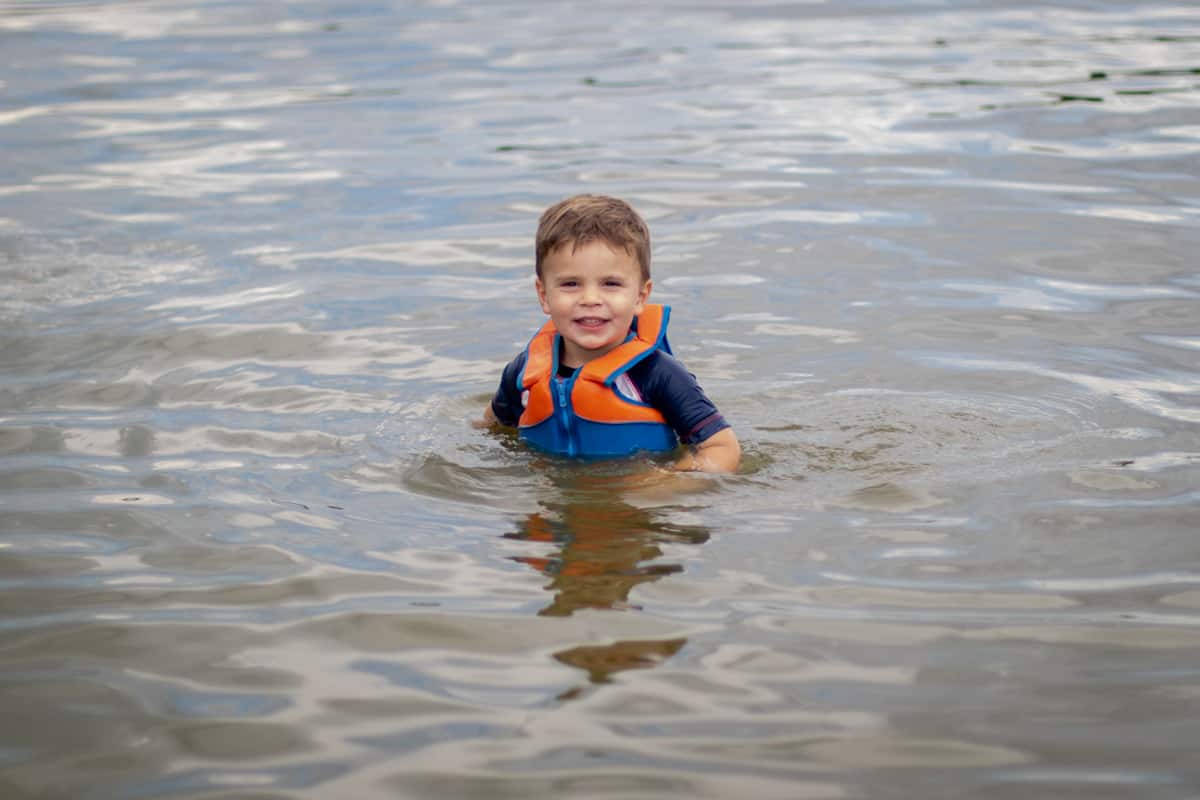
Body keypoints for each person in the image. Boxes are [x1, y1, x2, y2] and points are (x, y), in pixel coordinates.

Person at [479, 194, 741, 473]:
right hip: (550, 509)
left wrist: (668, 484)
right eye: (570, 284)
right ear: (544, 295)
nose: (590, 298)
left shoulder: (657, 374)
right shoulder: (524, 373)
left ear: (641, 296)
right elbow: (491, 428)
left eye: (611, 284)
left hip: (637, 508)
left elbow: (723, 448)